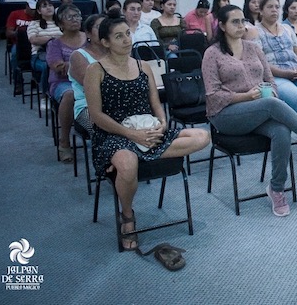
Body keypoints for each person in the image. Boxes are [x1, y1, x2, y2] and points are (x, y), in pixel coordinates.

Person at [84, 14, 210, 251]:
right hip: (114, 134)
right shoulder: (96, 70)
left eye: (127, 34)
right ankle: (128, 216)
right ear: (106, 42)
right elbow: (96, 116)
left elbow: (156, 105)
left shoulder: (143, 66)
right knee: (128, 163)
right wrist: (132, 136)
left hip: (148, 131)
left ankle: (141, 154)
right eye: (118, 36)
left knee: (203, 136)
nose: (126, 40)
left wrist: (161, 125)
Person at [202, 5, 297, 217]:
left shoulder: (253, 48)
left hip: (258, 109)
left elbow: (270, 81)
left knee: (281, 131)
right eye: (235, 22)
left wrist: (269, 93)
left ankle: (276, 189)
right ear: (221, 26)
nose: (241, 26)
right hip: (226, 115)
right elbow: (213, 95)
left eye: (243, 21)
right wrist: (247, 97)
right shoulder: (212, 54)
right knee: (271, 105)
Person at [254, 0, 297, 126]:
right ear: (261, 11)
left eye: (277, 7)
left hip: (296, 72)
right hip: (275, 77)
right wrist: (285, 73)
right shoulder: (256, 32)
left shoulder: (287, 29)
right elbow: (261, 63)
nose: (274, 10)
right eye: (270, 7)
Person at [46, 4, 87, 163]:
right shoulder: (55, 44)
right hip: (64, 83)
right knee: (70, 95)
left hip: (88, 79)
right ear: (61, 24)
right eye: (70, 17)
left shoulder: (89, 38)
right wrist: (81, 64)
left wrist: (72, 64)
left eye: (77, 16)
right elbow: (59, 68)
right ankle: (64, 141)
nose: (75, 20)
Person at [68, 13, 107, 138]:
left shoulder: (116, 53)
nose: (103, 30)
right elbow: (92, 86)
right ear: (88, 33)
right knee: (105, 131)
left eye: (106, 27)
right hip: (88, 105)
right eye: (99, 27)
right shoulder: (78, 56)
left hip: (117, 103)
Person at [27, 0, 62, 92]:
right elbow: (33, 40)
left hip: (60, 54)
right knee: (47, 66)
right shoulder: (34, 24)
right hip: (40, 56)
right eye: (44, 6)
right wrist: (52, 38)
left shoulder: (60, 23)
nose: (48, 8)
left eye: (50, 5)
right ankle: (45, 95)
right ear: (39, 11)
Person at [5, 0, 39, 69]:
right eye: (32, 9)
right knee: (14, 54)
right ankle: (16, 75)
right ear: (26, 6)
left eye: (36, 9)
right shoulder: (15, 14)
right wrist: (16, 33)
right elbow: (8, 33)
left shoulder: (41, 16)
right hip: (19, 43)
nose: (34, 11)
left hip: (36, 42)